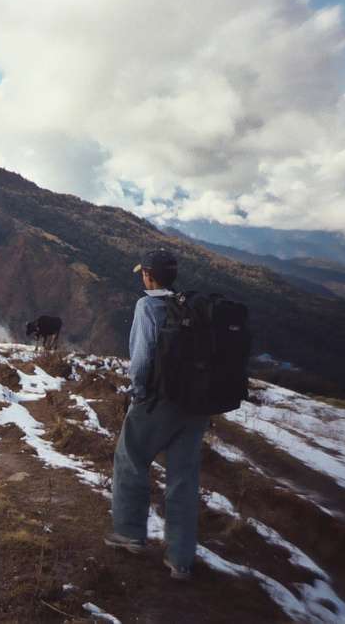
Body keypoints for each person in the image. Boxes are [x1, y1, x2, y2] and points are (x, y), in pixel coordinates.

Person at [104, 249, 208, 581]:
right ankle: (181, 559)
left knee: (130, 458)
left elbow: (142, 358)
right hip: (195, 406)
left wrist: (138, 394)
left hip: (158, 401)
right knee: (183, 478)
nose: (141, 277)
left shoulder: (147, 306)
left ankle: (130, 534)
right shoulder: (190, 305)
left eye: (142, 273)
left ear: (149, 275)